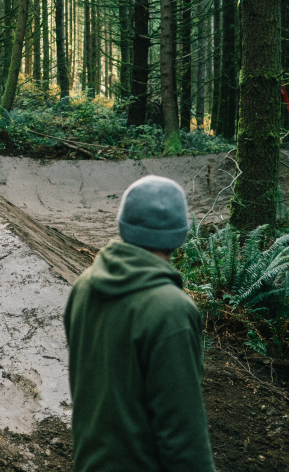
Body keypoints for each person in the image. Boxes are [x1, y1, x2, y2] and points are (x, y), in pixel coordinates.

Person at [64, 174, 216, 471]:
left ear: (123, 224)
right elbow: (182, 434)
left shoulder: (84, 287)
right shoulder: (171, 310)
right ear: (180, 235)